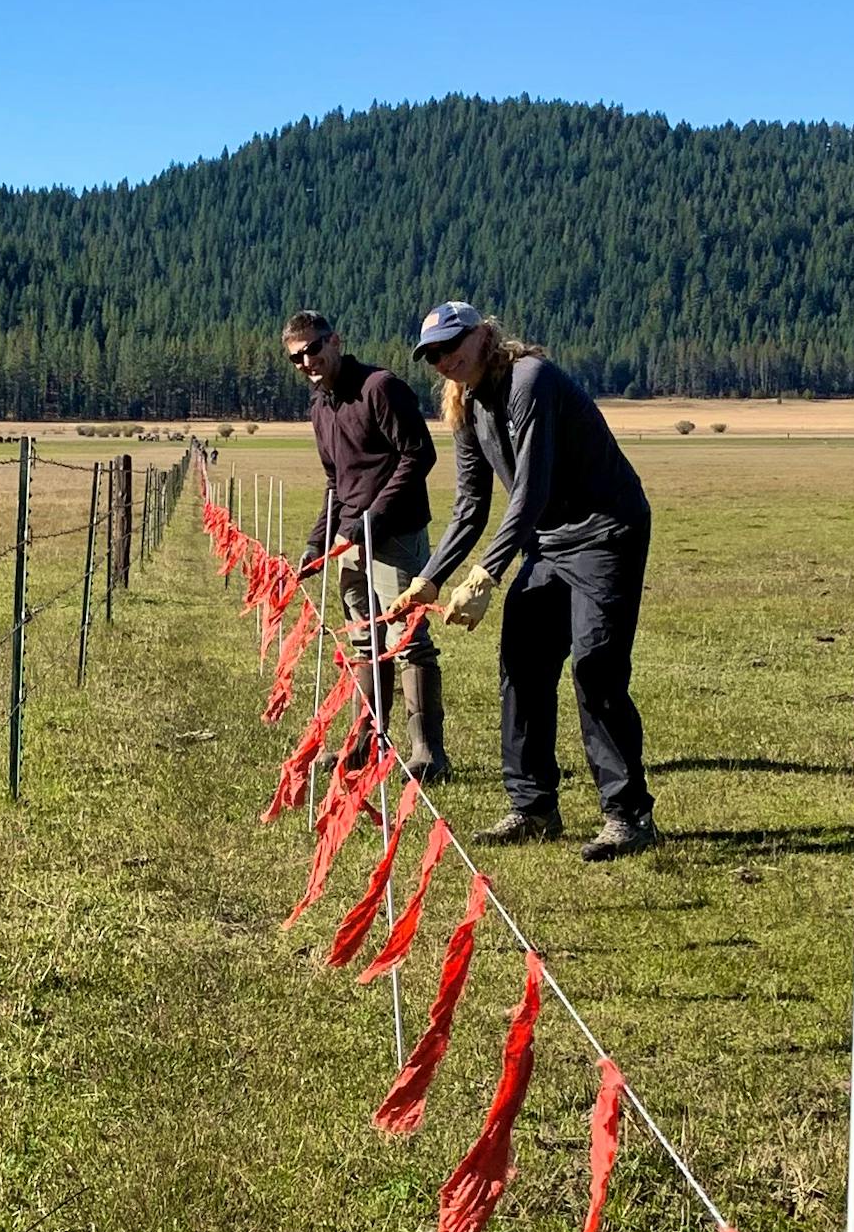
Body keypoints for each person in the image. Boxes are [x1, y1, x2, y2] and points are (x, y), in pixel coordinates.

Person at [391, 302, 658, 863]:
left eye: (452, 345)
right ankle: (533, 807)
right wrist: (430, 581)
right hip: (547, 541)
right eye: (433, 354)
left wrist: (485, 574)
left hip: (606, 532)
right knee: (522, 661)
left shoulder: (529, 380)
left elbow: (529, 490)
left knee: (596, 666)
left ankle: (628, 816)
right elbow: (469, 505)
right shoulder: (466, 406)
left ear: (485, 336)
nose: (443, 360)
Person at [282, 311, 449, 785]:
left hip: (394, 537)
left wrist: (374, 518)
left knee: (408, 641)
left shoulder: (380, 387)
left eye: (313, 348)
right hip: (348, 540)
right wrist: (318, 541)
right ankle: (365, 745)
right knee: (363, 642)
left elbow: (419, 454)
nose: (307, 361)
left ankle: (428, 754)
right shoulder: (320, 406)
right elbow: (335, 483)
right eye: (296, 356)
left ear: (335, 340)